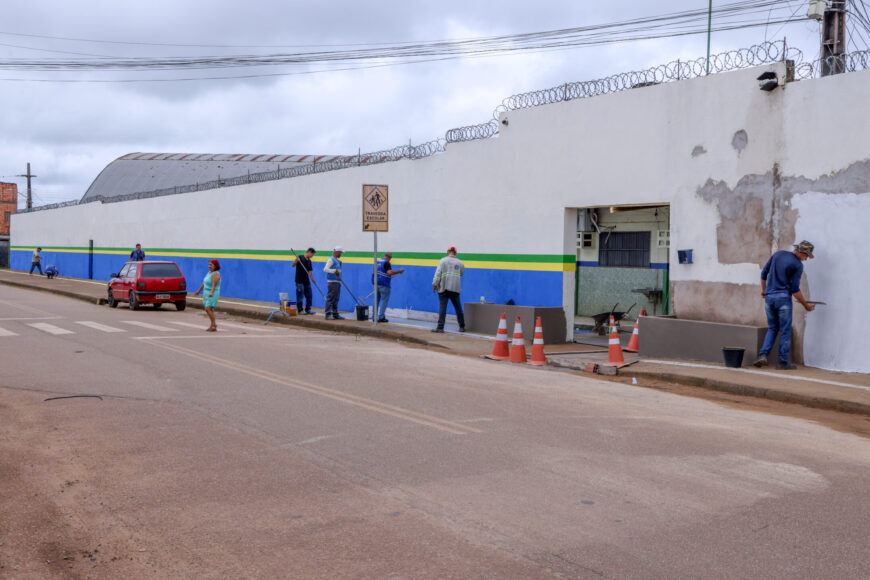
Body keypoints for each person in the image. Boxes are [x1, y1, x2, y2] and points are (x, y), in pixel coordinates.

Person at [753, 240, 816, 370]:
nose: (806, 259)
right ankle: (782, 362)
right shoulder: (797, 265)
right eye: (806, 256)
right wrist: (806, 306)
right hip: (783, 299)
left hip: (769, 298)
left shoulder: (778, 254)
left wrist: (764, 290)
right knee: (785, 330)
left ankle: (763, 355)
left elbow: (764, 273)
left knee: (772, 328)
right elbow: (794, 289)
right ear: (801, 252)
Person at [431, 245, 465, 333]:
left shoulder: (443, 261)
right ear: (456, 253)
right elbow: (461, 273)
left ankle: (440, 327)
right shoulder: (460, 263)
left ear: (447, 251)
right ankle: (462, 326)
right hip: (455, 288)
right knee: (458, 308)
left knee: (443, 308)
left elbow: (438, 273)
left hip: (444, 288)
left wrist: (434, 284)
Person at [374, 251, 404, 323]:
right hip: (384, 284)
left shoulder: (378, 262)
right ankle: (381, 317)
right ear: (389, 257)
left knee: (376, 301)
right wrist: (399, 271)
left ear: (384, 255)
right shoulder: (386, 263)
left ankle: (374, 317)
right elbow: (389, 272)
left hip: (376, 283)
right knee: (384, 301)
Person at [194, 259, 222, 332]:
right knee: (210, 309)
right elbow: (204, 283)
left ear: (215, 266)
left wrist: (211, 293)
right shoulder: (209, 273)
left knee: (207, 308)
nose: (209, 266)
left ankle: (213, 325)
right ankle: (213, 325)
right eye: (209, 264)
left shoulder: (216, 274)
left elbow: (214, 285)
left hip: (212, 293)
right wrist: (198, 291)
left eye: (211, 265)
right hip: (206, 293)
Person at [292, 247, 316, 315]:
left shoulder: (309, 261)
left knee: (309, 295)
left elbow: (310, 271)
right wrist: (296, 261)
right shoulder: (300, 257)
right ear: (309, 252)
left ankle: (308, 309)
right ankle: (300, 310)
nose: (312, 256)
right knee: (300, 295)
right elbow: (293, 265)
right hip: (299, 281)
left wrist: (312, 278)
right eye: (312, 254)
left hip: (306, 281)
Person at [323, 246, 344, 320]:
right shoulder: (331, 259)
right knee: (330, 298)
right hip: (332, 282)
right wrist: (334, 271)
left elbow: (339, 271)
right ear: (337, 252)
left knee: (336, 299)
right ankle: (328, 314)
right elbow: (325, 269)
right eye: (340, 253)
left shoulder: (338, 261)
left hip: (337, 282)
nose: (341, 254)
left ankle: (335, 314)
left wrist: (339, 276)